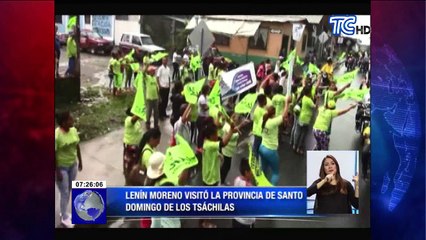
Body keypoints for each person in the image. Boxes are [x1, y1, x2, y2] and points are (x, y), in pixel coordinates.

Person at [200, 122, 237, 228]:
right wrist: (231, 130)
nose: (218, 136)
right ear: (211, 136)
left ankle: (205, 218)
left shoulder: (208, 142)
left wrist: (218, 155)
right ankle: (205, 223)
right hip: (210, 178)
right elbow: (224, 143)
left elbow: (220, 141)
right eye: (216, 134)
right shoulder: (210, 144)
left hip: (210, 176)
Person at [55, 111, 83, 228]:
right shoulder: (57, 135)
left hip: (73, 165)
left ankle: (63, 211)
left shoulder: (73, 130)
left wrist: (80, 161)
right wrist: (57, 171)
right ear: (63, 122)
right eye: (70, 120)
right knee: (65, 191)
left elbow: (77, 145)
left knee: (69, 189)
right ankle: (64, 218)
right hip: (62, 168)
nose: (73, 121)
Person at [258, 104, 286, 186]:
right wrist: (287, 104)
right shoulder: (272, 122)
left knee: (264, 169)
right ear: (274, 114)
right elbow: (284, 115)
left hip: (262, 147)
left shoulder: (263, 120)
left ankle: (261, 186)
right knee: (275, 172)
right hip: (270, 150)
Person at [294, 85, 317, 155]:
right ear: (309, 92)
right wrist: (317, 100)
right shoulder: (309, 100)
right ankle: (299, 148)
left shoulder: (303, 97)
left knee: (298, 132)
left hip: (300, 117)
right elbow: (315, 107)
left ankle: (294, 145)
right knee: (303, 134)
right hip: (306, 119)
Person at [233, 158, 255, 228]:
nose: (252, 172)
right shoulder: (250, 188)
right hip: (245, 222)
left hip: (236, 219)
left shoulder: (237, 179)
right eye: (251, 170)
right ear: (246, 172)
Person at [123, 107, 143, 181]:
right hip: (130, 146)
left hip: (136, 146)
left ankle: (133, 177)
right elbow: (134, 119)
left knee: (135, 163)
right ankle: (129, 179)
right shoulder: (128, 120)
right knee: (130, 164)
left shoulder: (136, 122)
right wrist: (140, 111)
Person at [252, 94, 267, 158]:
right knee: (257, 147)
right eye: (265, 100)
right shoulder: (264, 112)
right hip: (260, 133)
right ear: (263, 101)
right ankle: (256, 159)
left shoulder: (256, 109)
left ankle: (255, 157)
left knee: (256, 146)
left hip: (255, 130)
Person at [196, 85, 211, 149]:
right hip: (201, 118)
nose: (209, 91)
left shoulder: (206, 97)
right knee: (201, 133)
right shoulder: (202, 99)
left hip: (205, 117)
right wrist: (210, 105)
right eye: (208, 89)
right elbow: (205, 108)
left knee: (203, 133)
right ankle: (199, 146)